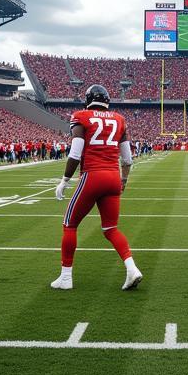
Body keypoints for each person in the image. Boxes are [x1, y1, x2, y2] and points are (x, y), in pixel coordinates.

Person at [51, 84, 142, 292]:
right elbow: (127, 160)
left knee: (70, 224)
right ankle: (132, 268)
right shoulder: (119, 119)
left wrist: (64, 180)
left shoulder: (81, 116)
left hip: (93, 174)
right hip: (113, 177)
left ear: (88, 99)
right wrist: (124, 181)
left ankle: (66, 277)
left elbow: (75, 154)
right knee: (111, 229)